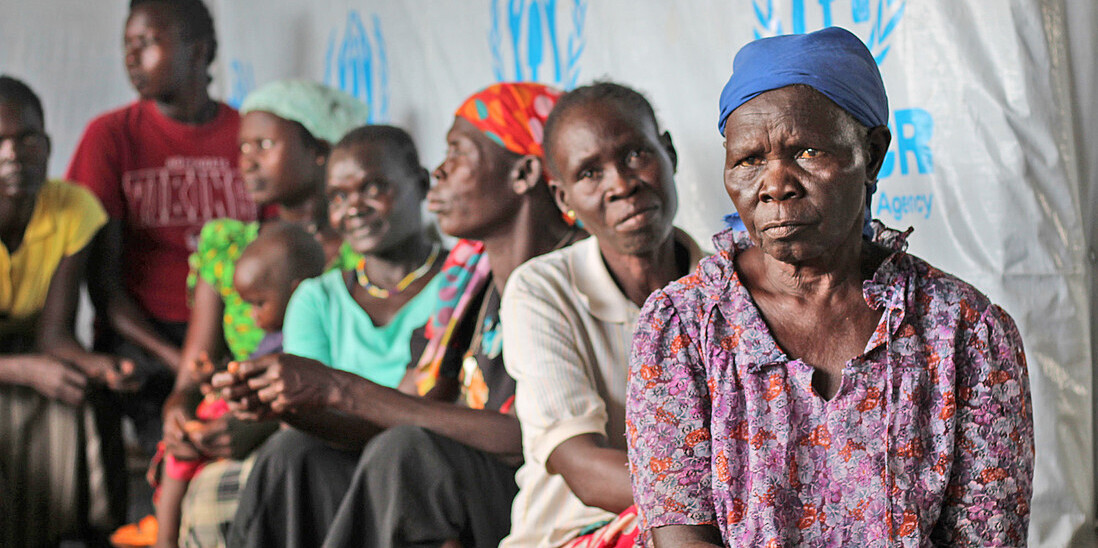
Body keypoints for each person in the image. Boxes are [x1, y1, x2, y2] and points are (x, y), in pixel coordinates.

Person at [626, 27, 1034, 547]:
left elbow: (986, 537)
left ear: (874, 154)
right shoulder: (684, 326)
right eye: (749, 159)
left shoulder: (964, 333)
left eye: (808, 152)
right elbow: (682, 536)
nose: (775, 184)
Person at [214, 82, 579, 548]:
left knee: (408, 454)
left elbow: (538, 440)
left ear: (524, 173)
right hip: (460, 478)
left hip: (537, 487)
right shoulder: (467, 281)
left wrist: (339, 388)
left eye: (458, 154)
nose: (442, 172)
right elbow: (404, 406)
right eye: (340, 196)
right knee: (294, 453)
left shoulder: (568, 277)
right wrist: (294, 408)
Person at [163, 79, 368, 548]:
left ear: (318, 149)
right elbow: (195, 364)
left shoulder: (361, 252)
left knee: (230, 496)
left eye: (265, 144)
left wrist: (263, 425)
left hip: (324, 427)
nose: (247, 160)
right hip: (230, 417)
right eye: (243, 147)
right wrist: (178, 410)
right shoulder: (231, 245)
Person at [498, 82, 703, 548]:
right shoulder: (541, 291)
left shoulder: (727, 287)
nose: (621, 184)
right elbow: (583, 468)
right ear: (564, 198)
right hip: (573, 536)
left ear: (668, 153)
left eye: (635, 155)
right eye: (590, 173)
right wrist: (740, 505)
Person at [66, 0, 252, 455]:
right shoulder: (110, 136)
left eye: (147, 43)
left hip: (232, 333)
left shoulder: (248, 135)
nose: (132, 57)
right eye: (127, 45)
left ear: (197, 51)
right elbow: (104, 285)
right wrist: (182, 365)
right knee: (175, 441)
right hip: (144, 337)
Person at [0, 75, 129, 547]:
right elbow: (36, 362)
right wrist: (28, 370)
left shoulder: (72, 208)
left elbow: (55, 334)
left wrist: (101, 366)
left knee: (86, 393)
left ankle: (94, 532)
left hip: (30, 346)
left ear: (48, 144)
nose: (14, 155)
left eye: (27, 139)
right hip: (13, 360)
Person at [154, 221, 325, 548]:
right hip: (237, 411)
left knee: (182, 457)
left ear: (297, 290)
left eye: (259, 303)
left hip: (268, 420)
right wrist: (212, 375)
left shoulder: (302, 335)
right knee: (177, 447)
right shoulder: (271, 334)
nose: (250, 315)